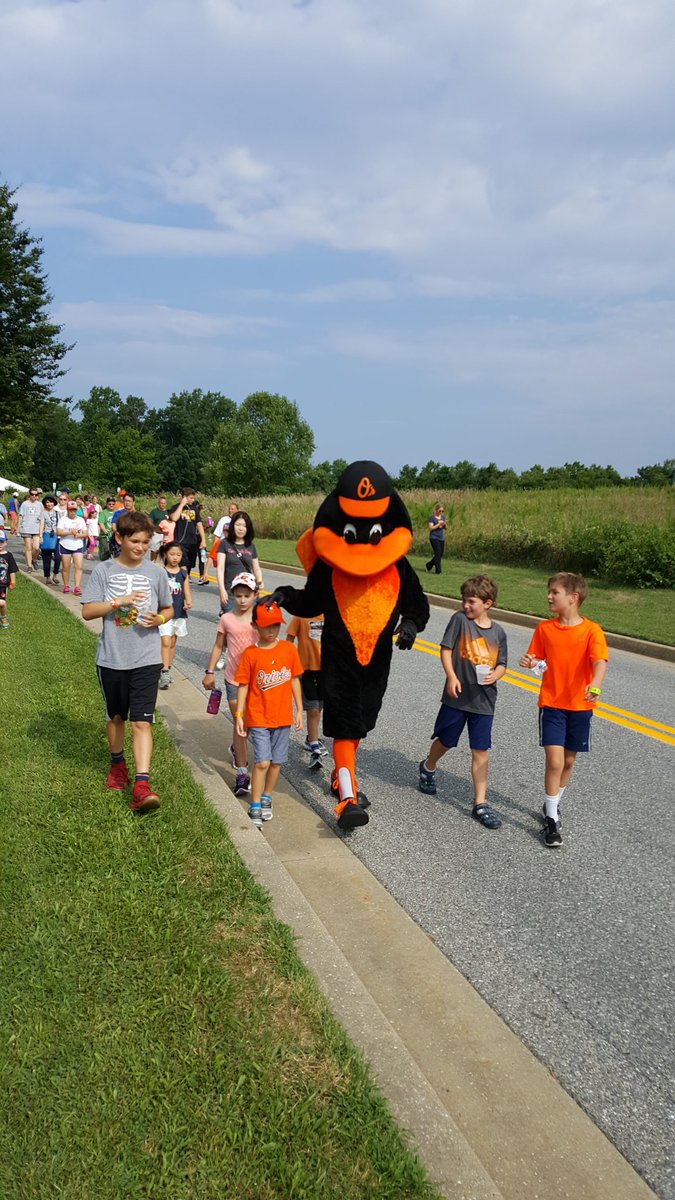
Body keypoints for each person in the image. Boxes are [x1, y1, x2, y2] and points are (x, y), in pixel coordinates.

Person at [81, 511, 173, 813]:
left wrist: (158, 618)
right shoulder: (103, 570)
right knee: (117, 717)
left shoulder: (156, 573)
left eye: (146, 542)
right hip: (111, 658)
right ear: (119, 538)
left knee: (142, 722)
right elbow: (88, 611)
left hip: (146, 658)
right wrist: (118, 602)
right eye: (135, 541)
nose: (141, 547)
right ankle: (118, 765)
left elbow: (168, 609)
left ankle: (142, 785)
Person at [519, 571, 608, 848]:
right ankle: (552, 819)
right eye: (549, 591)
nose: (549, 596)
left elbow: (600, 661)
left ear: (573, 597)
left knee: (569, 762)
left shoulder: (592, 631)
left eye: (554, 592)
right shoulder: (544, 629)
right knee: (555, 761)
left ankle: (552, 804)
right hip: (553, 704)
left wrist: (595, 684)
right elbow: (538, 661)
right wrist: (530, 662)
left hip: (580, 707)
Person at [418, 576, 507, 829]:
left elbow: (502, 664)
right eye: (464, 600)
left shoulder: (498, 632)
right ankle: (428, 767)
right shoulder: (459, 621)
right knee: (446, 740)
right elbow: (446, 649)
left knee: (481, 750)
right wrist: (452, 676)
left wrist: (496, 675)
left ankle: (480, 803)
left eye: (471, 601)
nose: (465, 605)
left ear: (487, 603)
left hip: (484, 701)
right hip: (456, 697)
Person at [235, 600, 303, 828]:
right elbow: (243, 685)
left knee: (277, 763)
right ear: (255, 626)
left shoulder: (289, 649)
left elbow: (294, 679)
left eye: (276, 625)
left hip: (283, 717)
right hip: (259, 717)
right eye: (266, 626)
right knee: (263, 762)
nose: (272, 631)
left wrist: (300, 709)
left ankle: (267, 796)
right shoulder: (251, 654)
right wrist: (240, 714)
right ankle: (255, 804)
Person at [202, 571, 259, 795]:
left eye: (247, 595)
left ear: (255, 594)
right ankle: (243, 774)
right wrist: (209, 671)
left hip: (258, 681)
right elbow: (219, 646)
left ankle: (237, 748)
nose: (243, 600)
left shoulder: (260, 618)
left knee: (252, 724)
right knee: (241, 724)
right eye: (238, 595)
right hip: (234, 679)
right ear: (233, 595)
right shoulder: (227, 619)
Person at [286, 614, 329, 769]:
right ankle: (315, 750)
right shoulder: (300, 616)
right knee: (313, 710)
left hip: (327, 671)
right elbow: (289, 640)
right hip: (306, 670)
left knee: (319, 707)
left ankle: (311, 738)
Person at [158, 542, 192, 689]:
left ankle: (168, 669)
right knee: (165, 642)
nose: (175, 558)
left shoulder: (183, 573)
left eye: (178, 555)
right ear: (165, 554)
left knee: (172, 643)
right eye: (172, 554)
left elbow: (187, 590)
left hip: (178, 613)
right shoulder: (161, 573)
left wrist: (189, 601)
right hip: (164, 613)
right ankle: (164, 671)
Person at [216, 511, 263, 613]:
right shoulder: (224, 544)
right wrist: (222, 590)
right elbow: (220, 568)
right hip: (231, 593)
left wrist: (259, 581)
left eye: (244, 526)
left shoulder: (251, 546)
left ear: (248, 528)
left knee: (251, 625)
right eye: (238, 525)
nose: (240, 528)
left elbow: (256, 568)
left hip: (249, 593)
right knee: (231, 625)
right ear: (233, 526)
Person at [168, 488, 207, 583]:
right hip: (180, 541)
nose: (193, 500)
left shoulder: (194, 509)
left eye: (193, 498)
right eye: (191, 498)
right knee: (182, 563)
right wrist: (182, 504)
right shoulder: (175, 507)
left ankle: (185, 577)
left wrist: (203, 540)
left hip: (192, 541)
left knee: (190, 563)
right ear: (184, 497)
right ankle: (181, 581)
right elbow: (174, 518)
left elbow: (199, 524)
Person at [57, 499, 88, 594]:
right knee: (66, 567)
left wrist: (79, 535)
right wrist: (70, 532)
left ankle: (77, 587)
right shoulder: (63, 519)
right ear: (68, 510)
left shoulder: (80, 520)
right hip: (65, 545)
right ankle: (66, 585)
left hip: (77, 545)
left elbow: (86, 533)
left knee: (79, 566)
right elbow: (59, 532)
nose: (72, 512)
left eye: (74, 510)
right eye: (70, 510)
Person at [19, 486, 43, 571]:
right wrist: (18, 527)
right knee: (28, 547)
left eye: (35, 495)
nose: (34, 496)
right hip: (26, 528)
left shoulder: (40, 504)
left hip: (36, 528)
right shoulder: (25, 504)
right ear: (29, 494)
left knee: (36, 548)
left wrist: (41, 533)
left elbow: (42, 519)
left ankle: (34, 559)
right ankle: (29, 566)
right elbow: (21, 516)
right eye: (32, 494)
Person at [38, 495, 61, 584]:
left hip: (57, 537)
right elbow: (42, 525)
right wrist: (40, 536)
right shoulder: (43, 513)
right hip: (47, 536)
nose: (49, 504)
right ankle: (47, 576)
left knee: (58, 558)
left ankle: (55, 575)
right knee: (46, 558)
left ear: (54, 503)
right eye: (47, 502)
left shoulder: (57, 513)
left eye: (51, 502)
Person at [0, 531, 18, 628]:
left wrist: (13, 582)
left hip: (2, 585)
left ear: (6, 542)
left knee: (2, 603)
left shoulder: (9, 556)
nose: (0, 544)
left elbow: (12, 570)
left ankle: (3, 617)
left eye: (1, 542)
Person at [426, 503, 447, 574]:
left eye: (442, 511)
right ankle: (438, 571)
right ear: (436, 510)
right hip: (434, 537)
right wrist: (438, 524)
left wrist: (444, 525)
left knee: (440, 554)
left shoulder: (443, 517)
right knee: (437, 553)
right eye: (439, 511)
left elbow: (445, 528)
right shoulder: (432, 518)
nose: (441, 512)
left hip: (441, 538)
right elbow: (431, 528)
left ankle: (429, 565)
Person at [149, 495, 169, 562]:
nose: (162, 504)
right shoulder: (154, 512)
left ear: (166, 503)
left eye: (164, 503)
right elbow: (150, 523)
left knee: (166, 550)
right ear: (159, 503)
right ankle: (152, 563)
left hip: (166, 534)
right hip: (157, 533)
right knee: (154, 550)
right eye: (161, 503)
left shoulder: (168, 512)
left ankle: (166, 565)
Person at [98, 496, 116, 561]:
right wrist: (104, 530)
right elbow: (101, 523)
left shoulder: (116, 513)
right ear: (107, 504)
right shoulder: (103, 513)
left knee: (115, 553)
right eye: (109, 504)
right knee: (105, 553)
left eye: (113, 504)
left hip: (114, 536)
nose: (111, 505)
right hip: (105, 536)